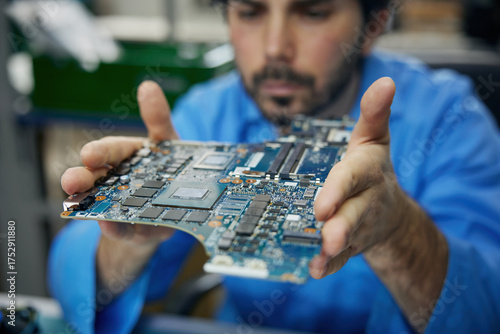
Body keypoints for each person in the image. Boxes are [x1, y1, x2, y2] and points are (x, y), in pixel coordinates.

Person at [48, 0, 500, 333]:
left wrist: (400, 234)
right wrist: (127, 241)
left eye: (312, 12)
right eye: (250, 12)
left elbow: (487, 313)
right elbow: (73, 280)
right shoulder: (211, 113)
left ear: (375, 22)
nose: (274, 48)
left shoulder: (449, 119)